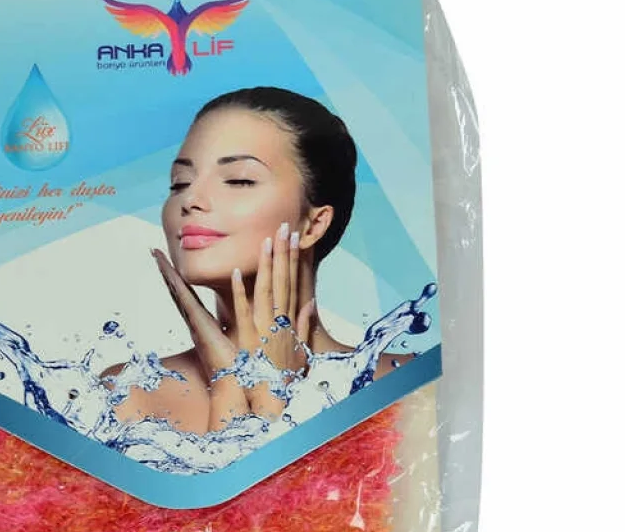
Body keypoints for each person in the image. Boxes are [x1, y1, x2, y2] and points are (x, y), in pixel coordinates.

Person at [106, 86, 405, 434]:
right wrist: (229, 384)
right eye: (179, 183)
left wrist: (272, 393)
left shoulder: (402, 387)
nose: (190, 199)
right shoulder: (130, 393)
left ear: (313, 224)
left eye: (239, 180)